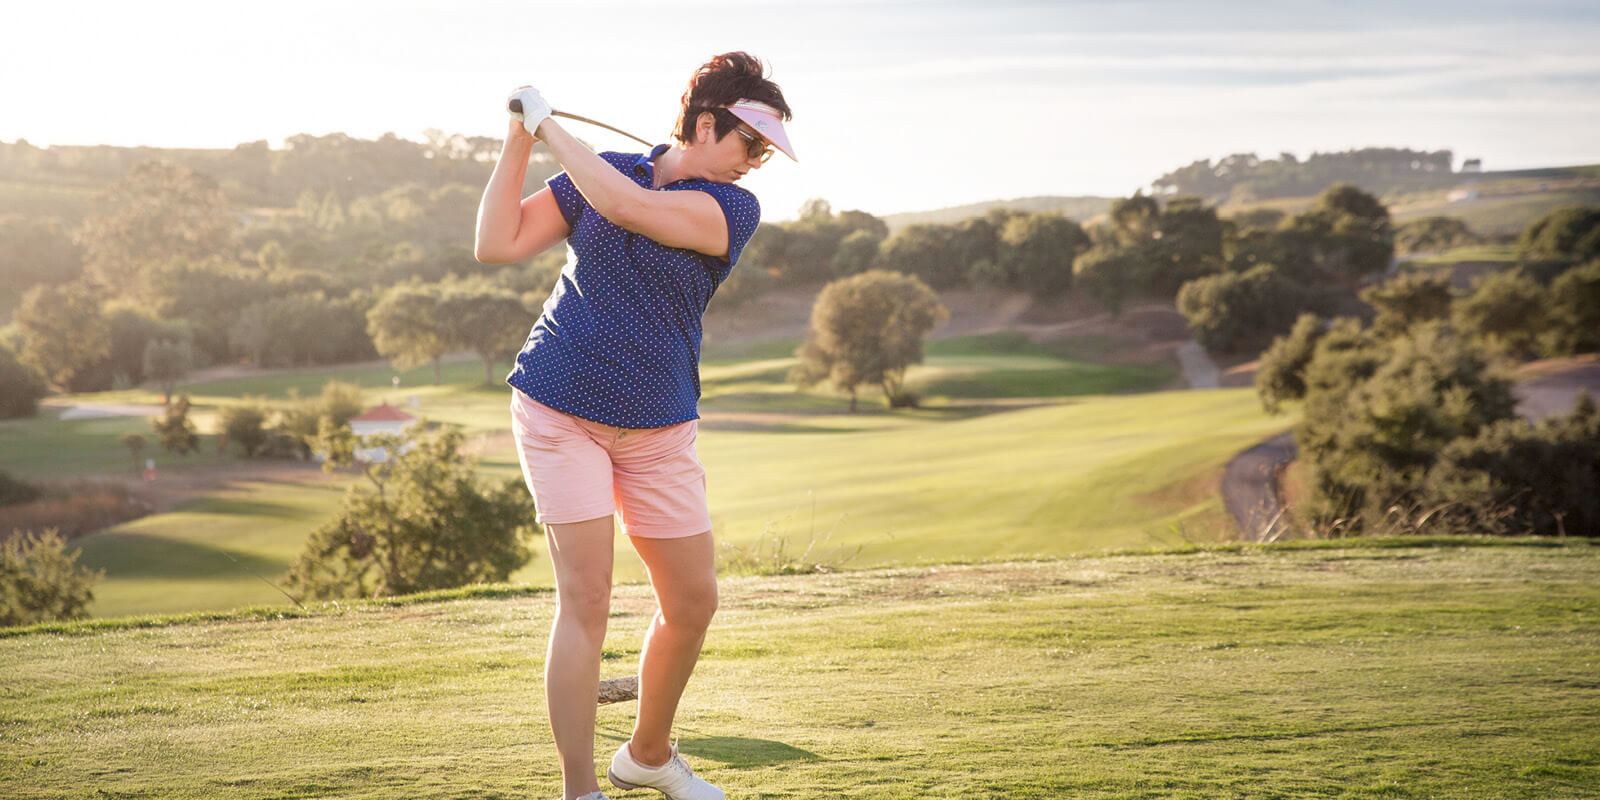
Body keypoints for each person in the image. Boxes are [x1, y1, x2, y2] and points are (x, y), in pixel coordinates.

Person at [473, 52, 795, 800]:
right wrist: (519, 136)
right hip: (559, 409)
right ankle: (579, 790)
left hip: (657, 426)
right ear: (707, 123)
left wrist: (550, 124)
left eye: (765, 153)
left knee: (692, 602)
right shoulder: (601, 171)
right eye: (751, 143)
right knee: (585, 599)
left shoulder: (730, 209)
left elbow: (627, 206)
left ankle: (647, 756)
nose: (756, 162)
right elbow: (496, 244)